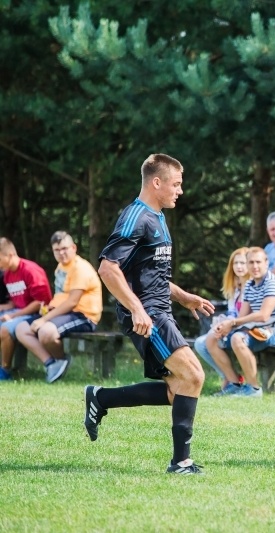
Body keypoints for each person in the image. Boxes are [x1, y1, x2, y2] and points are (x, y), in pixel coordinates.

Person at [85, 153, 215, 475]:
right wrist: (137, 309)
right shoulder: (136, 217)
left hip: (160, 310)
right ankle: (180, 463)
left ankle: (101, 398)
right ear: (156, 182)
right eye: (176, 184)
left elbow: (149, 274)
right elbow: (108, 268)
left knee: (178, 389)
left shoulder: (158, 217)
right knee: (193, 376)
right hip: (148, 316)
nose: (180, 191)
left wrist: (184, 297)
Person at [16, 231, 103, 383]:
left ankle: (61, 360)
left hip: (83, 316)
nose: (61, 253)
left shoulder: (80, 268)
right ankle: (51, 364)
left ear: (73, 248)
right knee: (21, 328)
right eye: (57, 250)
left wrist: (44, 320)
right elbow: (61, 296)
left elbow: (72, 302)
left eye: (64, 248)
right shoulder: (60, 268)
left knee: (46, 331)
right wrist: (48, 309)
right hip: (64, 313)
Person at [207, 247, 275, 397]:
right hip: (256, 328)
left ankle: (254, 389)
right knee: (212, 338)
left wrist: (232, 324)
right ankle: (234, 384)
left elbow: (264, 316)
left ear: (266, 263)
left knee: (237, 338)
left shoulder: (273, 283)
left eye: (258, 262)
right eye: (251, 262)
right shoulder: (249, 285)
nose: (255, 266)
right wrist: (225, 326)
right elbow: (242, 316)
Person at [193, 247, 250, 390]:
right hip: (232, 327)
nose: (239, 266)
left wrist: (228, 325)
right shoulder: (235, 288)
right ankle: (229, 377)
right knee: (200, 343)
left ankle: (233, 382)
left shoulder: (252, 287)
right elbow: (232, 313)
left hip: (246, 330)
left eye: (242, 263)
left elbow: (246, 317)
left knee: (210, 339)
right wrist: (222, 322)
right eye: (236, 263)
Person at [0, 237, 53, 381]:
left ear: (10, 255)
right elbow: (15, 301)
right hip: (19, 312)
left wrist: (13, 316)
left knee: (5, 329)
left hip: (38, 314)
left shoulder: (31, 270)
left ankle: (5, 371)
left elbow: (41, 302)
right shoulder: (7, 274)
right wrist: (4, 308)